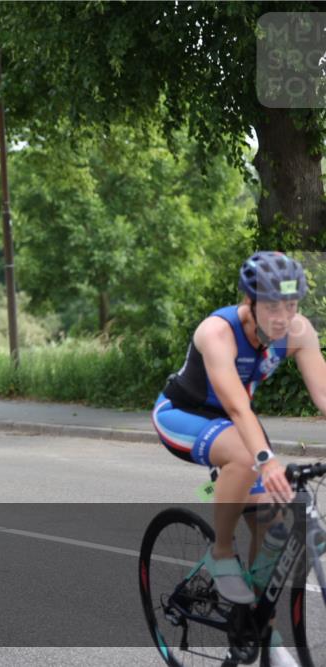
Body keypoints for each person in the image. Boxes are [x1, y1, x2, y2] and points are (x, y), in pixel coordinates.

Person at [152, 252, 325, 667]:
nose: (283, 317)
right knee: (249, 461)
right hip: (184, 416)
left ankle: (255, 627)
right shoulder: (217, 331)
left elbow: (323, 396)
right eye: (272, 306)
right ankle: (223, 553)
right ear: (248, 302)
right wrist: (266, 460)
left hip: (238, 425)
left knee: (273, 522)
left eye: (292, 305)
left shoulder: (298, 331)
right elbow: (235, 407)